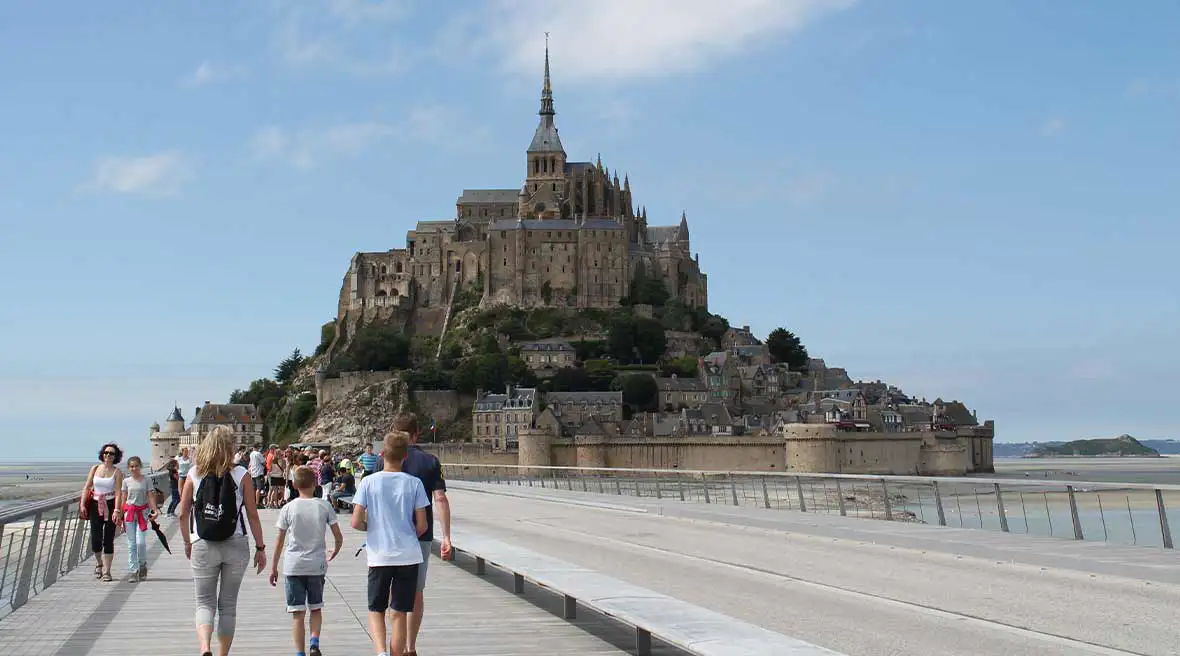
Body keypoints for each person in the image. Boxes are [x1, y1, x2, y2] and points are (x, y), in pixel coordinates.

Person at [178, 427, 267, 656]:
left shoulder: (194, 473)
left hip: (202, 543)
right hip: (235, 543)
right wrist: (260, 547)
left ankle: (205, 647)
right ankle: (222, 654)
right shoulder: (241, 474)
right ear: (231, 447)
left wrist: (188, 542)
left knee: (204, 602)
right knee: (228, 605)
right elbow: (252, 514)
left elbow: (183, 511)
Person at [351, 431, 429, 656]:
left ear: (382, 454)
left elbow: (356, 521)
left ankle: (380, 652)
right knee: (400, 612)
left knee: (376, 608)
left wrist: (372, 528)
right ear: (405, 456)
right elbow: (422, 526)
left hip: (379, 555)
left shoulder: (368, 482)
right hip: (409, 555)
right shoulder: (414, 483)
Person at [391, 413, 453, 655]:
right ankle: (411, 647)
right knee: (416, 592)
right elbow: (440, 498)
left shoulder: (381, 461)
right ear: (417, 434)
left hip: (391, 536)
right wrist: (446, 536)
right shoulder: (430, 461)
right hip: (422, 535)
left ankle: (396, 644)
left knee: (394, 592)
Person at [270, 466, 344, 656]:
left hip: (293, 565)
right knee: (316, 607)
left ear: (294, 485)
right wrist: (334, 551)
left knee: (297, 613)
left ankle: (299, 653)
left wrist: (273, 567)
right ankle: (314, 642)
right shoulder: (324, 505)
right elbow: (338, 537)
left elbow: (279, 541)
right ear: (315, 483)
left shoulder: (288, 508)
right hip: (316, 565)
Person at [80, 443, 124, 582]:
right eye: (106, 453)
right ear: (102, 454)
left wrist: (117, 510)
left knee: (108, 538)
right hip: (95, 504)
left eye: (111, 454)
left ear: (115, 456)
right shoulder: (95, 468)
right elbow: (87, 487)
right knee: (95, 537)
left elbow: (118, 493)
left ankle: (107, 570)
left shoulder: (117, 472)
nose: (108, 456)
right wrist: (82, 504)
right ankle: (99, 563)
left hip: (110, 504)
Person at [117, 456, 159, 582]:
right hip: (129, 513)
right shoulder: (126, 481)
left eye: (136, 466)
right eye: (131, 466)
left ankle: (142, 565)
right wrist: (119, 514)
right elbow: (124, 499)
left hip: (142, 513)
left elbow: (150, 496)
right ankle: (133, 571)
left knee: (140, 542)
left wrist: (154, 510)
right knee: (131, 544)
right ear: (129, 468)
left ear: (140, 466)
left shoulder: (146, 480)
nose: (134, 468)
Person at [248, 444, 268, 508]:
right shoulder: (258, 454)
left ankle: (253, 502)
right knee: (259, 488)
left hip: (253, 473)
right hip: (259, 472)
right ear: (257, 447)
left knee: (254, 488)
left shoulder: (251, 454)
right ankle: (257, 503)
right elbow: (264, 462)